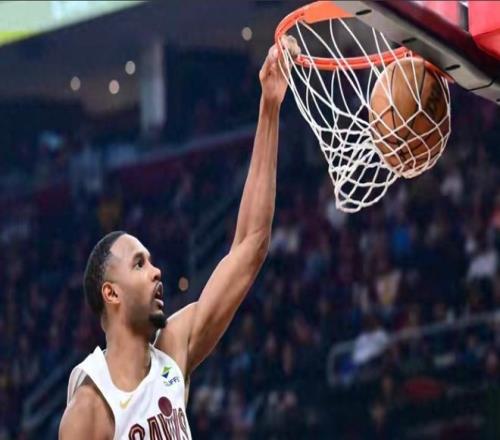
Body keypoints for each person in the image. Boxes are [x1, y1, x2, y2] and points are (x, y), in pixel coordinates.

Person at [59, 36, 300, 440]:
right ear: (111, 293)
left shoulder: (172, 349)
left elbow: (250, 245)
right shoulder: (90, 408)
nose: (156, 272)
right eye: (139, 263)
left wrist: (269, 107)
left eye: (151, 261)